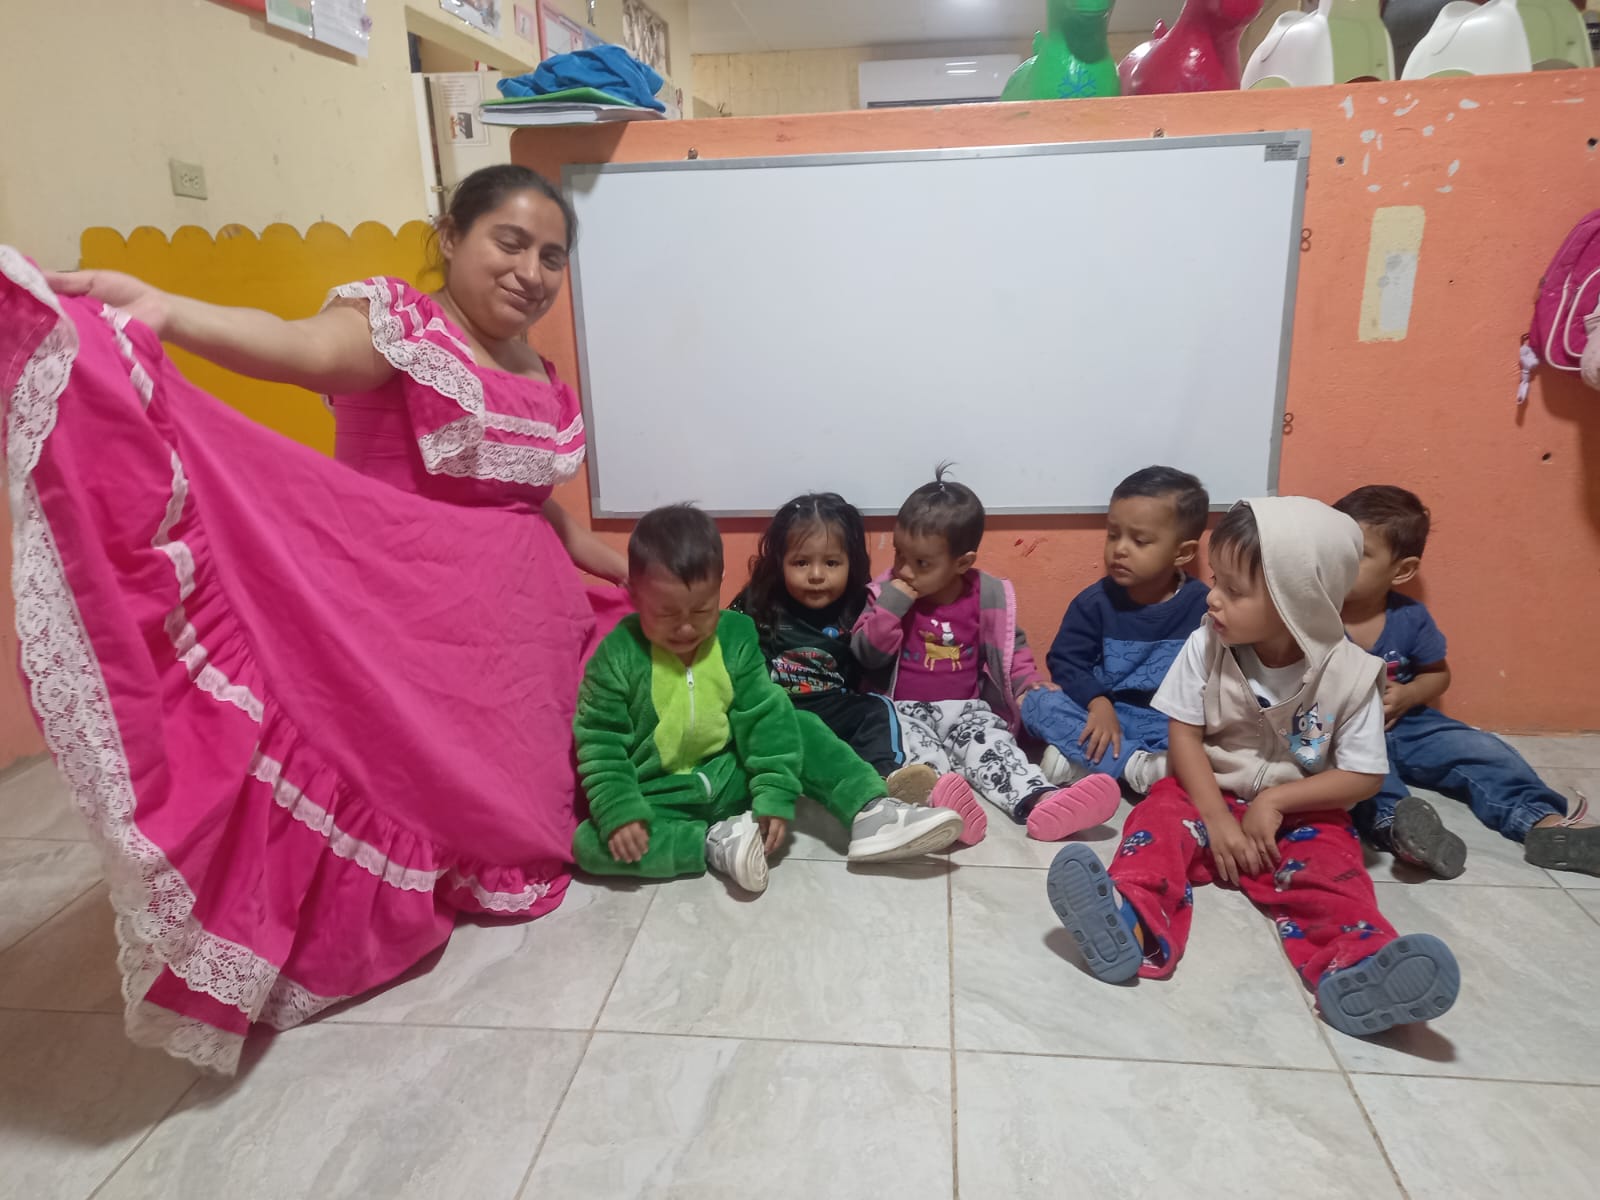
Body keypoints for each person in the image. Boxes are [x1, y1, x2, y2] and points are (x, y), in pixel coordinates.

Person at [0, 164, 635, 1073]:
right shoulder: (402, 328)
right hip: (398, 618)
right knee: (419, 791)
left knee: (634, 688)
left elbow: (530, 503)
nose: (530, 272)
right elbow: (294, 345)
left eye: (551, 257)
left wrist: (614, 563)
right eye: (509, 242)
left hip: (517, 636)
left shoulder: (538, 370)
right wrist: (169, 311)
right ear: (451, 237)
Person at [1046, 498, 1461, 1037]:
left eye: (1234, 590)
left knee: (1333, 876)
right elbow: (1184, 736)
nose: (1212, 597)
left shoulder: (1352, 675)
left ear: (1299, 601)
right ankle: (1130, 920)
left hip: (1301, 809)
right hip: (1206, 790)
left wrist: (1276, 801)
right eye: (1216, 581)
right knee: (1157, 820)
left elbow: (1363, 778)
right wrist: (1217, 817)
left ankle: (1359, 968)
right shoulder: (1206, 644)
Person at [573, 505, 965, 890]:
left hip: (732, 776)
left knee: (798, 722)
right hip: (661, 795)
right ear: (634, 592)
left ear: (719, 583)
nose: (687, 629)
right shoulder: (615, 656)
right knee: (588, 845)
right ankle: (712, 842)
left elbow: (763, 717)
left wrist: (774, 791)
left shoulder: (735, 634)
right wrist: (620, 810)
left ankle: (870, 811)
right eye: (667, 614)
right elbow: (600, 744)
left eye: (702, 610)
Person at [1334, 485, 1598, 878]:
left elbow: (1438, 675)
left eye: (1357, 553)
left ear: (1402, 570)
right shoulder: (1311, 615)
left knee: (1481, 750)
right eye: (1330, 547)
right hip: (1344, 730)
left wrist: (1408, 694)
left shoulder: (1410, 617)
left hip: (1409, 723)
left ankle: (1543, 823)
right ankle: (1400, 831)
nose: (1336, 560)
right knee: (1364, 776)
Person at [852, 466, 1123, 846]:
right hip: (903, 712)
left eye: (922, 563)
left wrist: (1027, 684)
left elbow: (1011, 649)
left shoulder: (986, 595)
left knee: (995, 748)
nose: (905, 570)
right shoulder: (886, 593)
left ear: (962, 563)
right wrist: (891, 606)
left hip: (967, 709)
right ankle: (944, 808)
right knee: (918, 761)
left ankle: (1043, 801)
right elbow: (867, 654)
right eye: (899, 554)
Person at [731, 491, 962, 809]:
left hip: (834, 710)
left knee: (878, 708)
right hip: (779, 713)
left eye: (831, 563)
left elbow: (875, 662)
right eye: (800, 562)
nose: (816, 575)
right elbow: (731, 654)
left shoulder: (859, 605)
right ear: (779, 563)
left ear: (850, 563)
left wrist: (889, 610)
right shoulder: (759, 603)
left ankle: (884, 780)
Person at [1023, 466, 1211, 796]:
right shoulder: (1094, 603)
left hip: (1170, 723)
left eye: (1139, 541)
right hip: (1107, 717)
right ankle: (1137, 768)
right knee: (1034, 701)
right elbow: (1067, 661)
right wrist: (1097, 702)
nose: (1120, 549)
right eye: (1112, 535)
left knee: (1219, 738)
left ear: (1182, 552)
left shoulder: (1203, 605)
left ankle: (1090, 764)